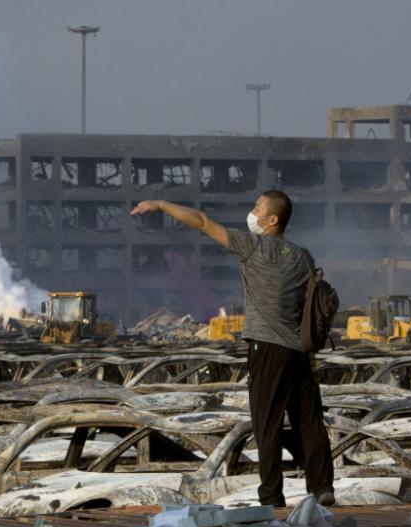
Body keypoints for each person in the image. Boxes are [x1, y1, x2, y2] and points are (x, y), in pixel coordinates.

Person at [130, 191, 334, 507]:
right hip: (300, 351)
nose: (252, 213)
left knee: (267, 423)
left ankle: (271, 495)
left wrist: (160, 205)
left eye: (257, 208)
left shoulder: (252, 246)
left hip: (267, 348)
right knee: (310, 421)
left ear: (272, 220)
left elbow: (202, 222)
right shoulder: (302, 256)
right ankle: (322, 487)